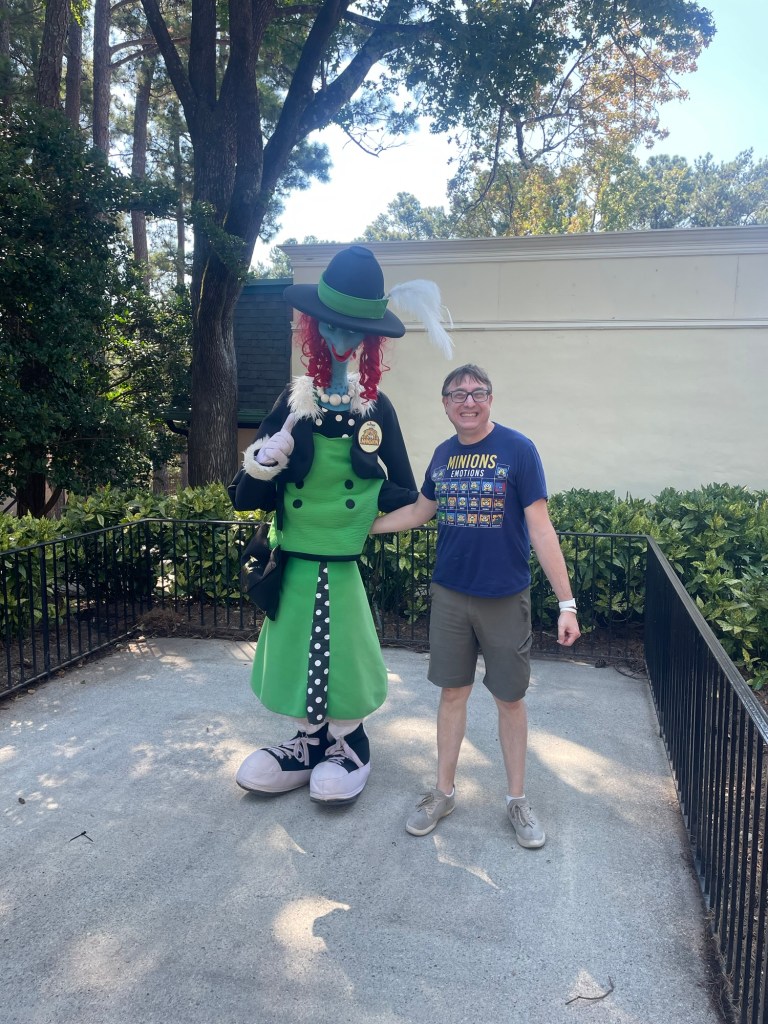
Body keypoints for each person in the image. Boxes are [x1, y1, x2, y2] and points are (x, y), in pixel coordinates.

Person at [228, 245, 452, 806]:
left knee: (345, 654)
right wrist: (265, 461)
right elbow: (245, 496)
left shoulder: (377, 410)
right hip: (296, 560)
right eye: (331, 325)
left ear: (371, 339)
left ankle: (349, 742)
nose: (341, 339)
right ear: (312, 326)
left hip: (342, 563)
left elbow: (405, 489)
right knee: (295, 653)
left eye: (355, 330)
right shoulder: (291, 401)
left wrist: (366, 527)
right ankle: (307, 742)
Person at [370, 363, 580, 847]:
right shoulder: (443, 456)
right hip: (449, 596)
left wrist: (566, 603)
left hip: (504, 598)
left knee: (509, 699)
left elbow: (540, 528)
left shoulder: (518, 450)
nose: (468, 400)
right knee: (451, 695)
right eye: (457, 394)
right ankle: (442, 792)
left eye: (477, 392)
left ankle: (516, 801)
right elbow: (421, 512)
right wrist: (363, 528)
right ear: (444, 404)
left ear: (490, 399)